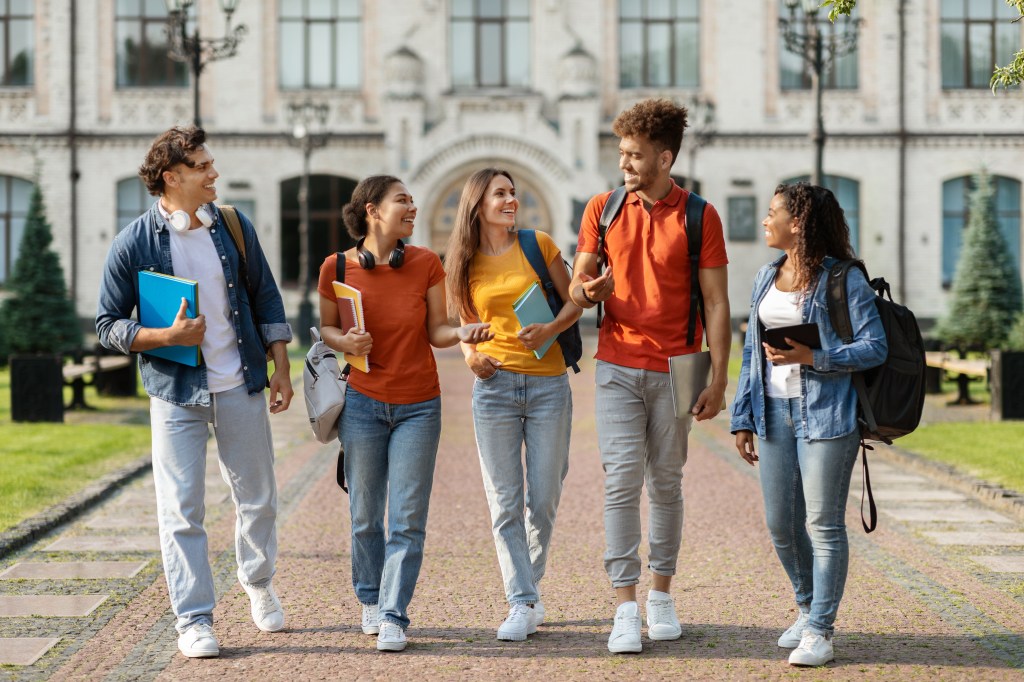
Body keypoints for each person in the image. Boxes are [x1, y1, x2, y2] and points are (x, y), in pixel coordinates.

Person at [96, 127, 293, 659]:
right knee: (181, 510)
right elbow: (107, 323)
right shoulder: (134, 241)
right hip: (175, 391)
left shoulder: (232, 225)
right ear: (173, 176)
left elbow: (266, 298)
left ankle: (257, 580)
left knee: (258, 499)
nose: (214, 173)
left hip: (241, 383)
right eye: (203, 165)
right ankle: (194, 618)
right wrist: (166, 338)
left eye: (211, 163)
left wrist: (281, 367)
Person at [569, 98, 731, 653]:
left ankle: (661, 593)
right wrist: (588, 291)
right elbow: (578, 282)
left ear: (665, 158)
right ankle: (624, 606)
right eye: (621, 154)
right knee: (620, 482)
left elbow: (716, 301)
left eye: (635, 155)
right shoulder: (603, 208)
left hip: (680, 367)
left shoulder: (700, 216)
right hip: (616, 363)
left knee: (666, 483)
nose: (625, 164)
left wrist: (719, 377)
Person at [317, 175, 492, 653]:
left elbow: (437, 329)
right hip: (362, 404)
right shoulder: (335, 266)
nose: (412, 208)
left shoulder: (425, 263)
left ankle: (394, 614)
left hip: (419, 405)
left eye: (414, 201)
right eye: (402, 201)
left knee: (408, 517)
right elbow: (327, 330)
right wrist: (344, 342)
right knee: (365, 514)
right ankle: (370, 599)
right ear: (372, 210)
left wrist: (461, 333)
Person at [730, 182, 887, 667]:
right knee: (781, 523)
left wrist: (814, 356)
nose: (765, 220)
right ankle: (805, 606)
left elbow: (874, 346)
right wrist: (742, 415)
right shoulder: (765, 276)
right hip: (773, 413)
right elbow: (751, 354)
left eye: (773, 212)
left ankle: (821, 629)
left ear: (797, 222)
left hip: (826, 416)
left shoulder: (842, 280)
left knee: (821, 524)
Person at [444, 168, 582, 642]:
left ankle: (528, 584)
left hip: (548, 386)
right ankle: (521, 600)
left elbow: (574, 303)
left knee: (542, 499)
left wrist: (549, 330)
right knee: (504, 502)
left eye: (512, 192)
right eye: (499, 193)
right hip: (495, 389)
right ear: (477, 203)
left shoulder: (537, 244)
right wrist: (471, 356)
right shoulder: (462, 261)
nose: (510, 200)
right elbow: (465, 327)